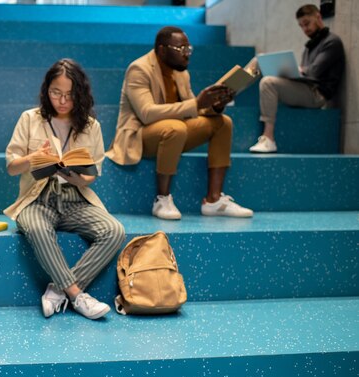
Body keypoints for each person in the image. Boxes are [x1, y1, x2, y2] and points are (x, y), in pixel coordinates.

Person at [5, 59, 125, 320]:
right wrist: (33, 158)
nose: (61, 101)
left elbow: (91, 177)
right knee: (35, 227)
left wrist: (75, 177)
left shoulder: (91, 126)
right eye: (55, 93)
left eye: (69, 96)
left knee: (114, 231)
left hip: (75, 198)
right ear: (46, 90)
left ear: (80, 95)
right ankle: (77, 295)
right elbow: (12, 167)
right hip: (37, 198)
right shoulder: (29, 119)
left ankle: (57, 291)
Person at [106, 26, 253, 220]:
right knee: (175, 127)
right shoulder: (139, 69)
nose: (187, 55)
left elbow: (193, 110)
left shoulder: (181, 73)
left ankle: (213, 200)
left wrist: (215, 105)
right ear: (162, 49)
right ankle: (162, 199)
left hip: (175, 132)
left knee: (223, 122)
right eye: (181, 49)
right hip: (140, 135)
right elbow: (146, 113)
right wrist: (196, 104)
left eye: (188, 49)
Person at [249, 4, 345, 153]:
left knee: (268, 83)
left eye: (307, 24)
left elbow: (313, 72)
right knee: (258, 61)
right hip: (305, 88)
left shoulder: (332, 42)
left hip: (317, 94)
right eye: (301, 26)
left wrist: (297, 70)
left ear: (318, 17)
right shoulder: (309, 47)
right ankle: (230, 93)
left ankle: (268, 138)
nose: (305, 29)